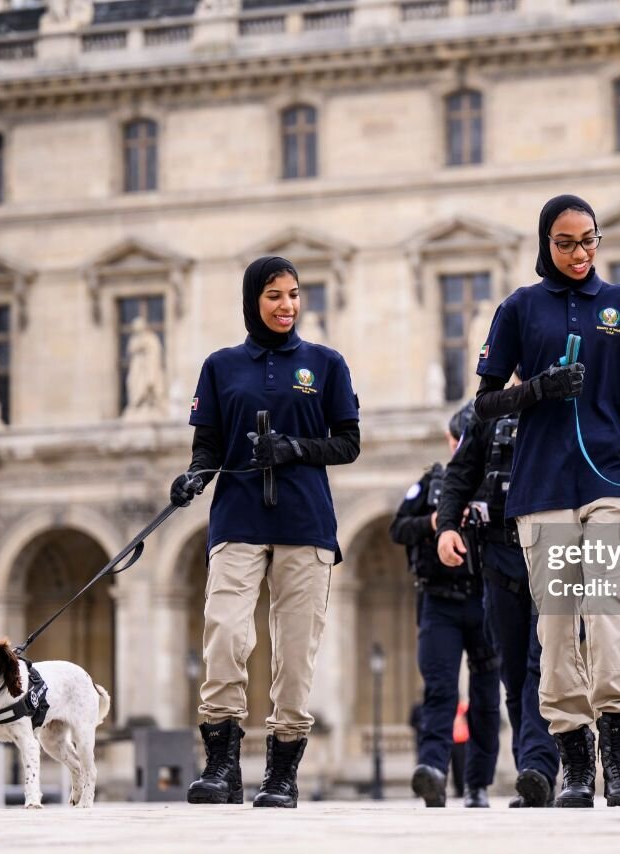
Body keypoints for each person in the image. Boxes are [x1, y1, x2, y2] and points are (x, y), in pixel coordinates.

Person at [473, 194, 620, 808]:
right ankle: (574, 765)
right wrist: (535, 390)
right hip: (540, 489)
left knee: (609, 611)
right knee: (558, 630)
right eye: (566, 243)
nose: (581, 253)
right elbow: (484, 404)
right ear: (546, 245)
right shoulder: (519, 309)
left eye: (590, 240)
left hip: (609, 480)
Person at [173, 255, 361, 809]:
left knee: (296, 649)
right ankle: (222, 763)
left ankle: (282, 772)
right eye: (275, 295)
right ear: (253, 300)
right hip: (237, 518)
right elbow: (206, 447)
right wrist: (193, 477)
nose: (287, 306)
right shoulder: (221, 366)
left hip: (306, 521)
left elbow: (348, 443)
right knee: (226, 633)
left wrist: (296, 448)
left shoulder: (326, 364)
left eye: (295, 295)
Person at [437, 397, 561, 808]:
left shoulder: (565, 408)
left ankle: (539, 768)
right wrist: (448, 525)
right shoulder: (486, 412)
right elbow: (461, 472)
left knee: (539, 664)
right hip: (500, 555)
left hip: (551, 551)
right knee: (512, 670)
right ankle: (529, 769)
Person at [391, 406, 500, 809]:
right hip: (438, 600)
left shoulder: (496, 480)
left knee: (486, 698)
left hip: (485, 598)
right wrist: (433, 522)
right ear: (450, 440)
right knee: (439, 691)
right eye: (458, 443)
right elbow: (398, 528)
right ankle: (433, 772)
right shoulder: (431, 483)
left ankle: (478, 784)